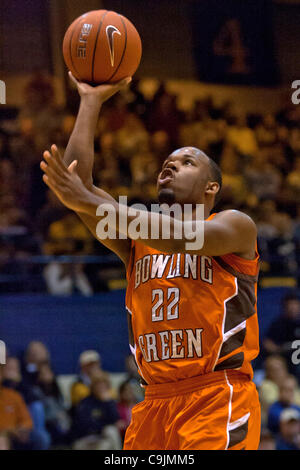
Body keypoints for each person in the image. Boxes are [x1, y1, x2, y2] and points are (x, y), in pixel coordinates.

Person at [40, 72, 261, 450]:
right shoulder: (136, 242)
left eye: (186, 162)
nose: (169, 167)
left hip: (216, 397)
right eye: (166, 164)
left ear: (212, 187)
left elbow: (181, 239)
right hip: (153, 403)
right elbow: (78, 182)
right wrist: (91, 100)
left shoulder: (234, 227)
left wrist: (90, 200)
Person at [71, 374, 121, 450]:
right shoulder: (86, 402)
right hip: (86, 439)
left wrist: (108, 403)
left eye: (104, 386)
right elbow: (86, 424)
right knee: (108, 434)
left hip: (102, 438)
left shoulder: (109, 402)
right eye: (98, 385)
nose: (101, 388)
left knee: (110, 434)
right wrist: (103, 426)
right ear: (92, 387)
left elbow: (115, 420)